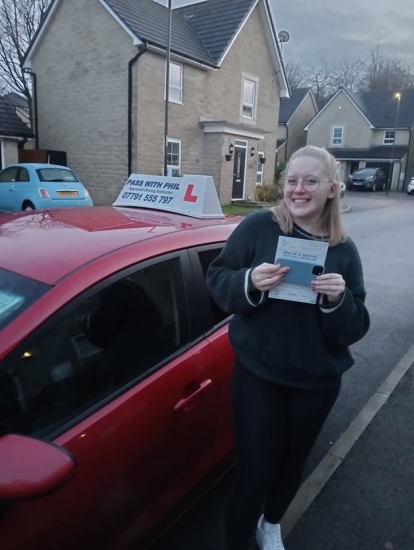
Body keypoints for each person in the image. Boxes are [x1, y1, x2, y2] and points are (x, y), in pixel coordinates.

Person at [206, 145, 370, 550]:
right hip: (259, 373)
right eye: (292, 181)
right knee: (254, 471)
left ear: (331, 189)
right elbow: (217, 277)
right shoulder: (260, 228)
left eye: (310, 181)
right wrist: (248, 282)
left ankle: (271, 523)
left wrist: (339, 301)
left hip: (316, 381)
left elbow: (357, 325)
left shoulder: (343, 251)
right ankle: (236, 543)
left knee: (291, 464)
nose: (298, 190)